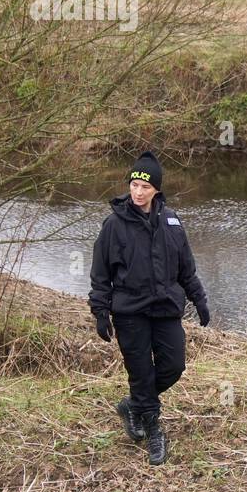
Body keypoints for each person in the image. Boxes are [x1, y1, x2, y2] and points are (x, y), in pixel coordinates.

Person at [89, 151, 210, 465]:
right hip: (130, 311)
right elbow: (101, 273)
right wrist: (101, 311)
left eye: (144, 186)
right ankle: (153, 430)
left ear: (156, 189)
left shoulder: (171, 221)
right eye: (134, 184)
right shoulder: (114, 225)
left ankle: (133, 405)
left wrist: (199, 299)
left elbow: (186, 268)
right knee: (141, 373)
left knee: (174, 365)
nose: (138, 191)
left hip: (166, 307)